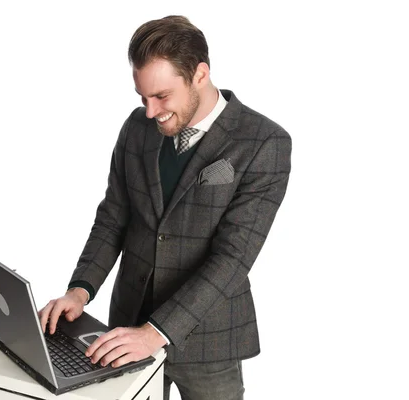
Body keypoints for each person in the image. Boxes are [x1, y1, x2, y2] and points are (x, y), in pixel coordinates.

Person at [38, 15, 291, 400]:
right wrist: (80, 291)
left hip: (208, 341)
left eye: (162, 97)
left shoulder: (264, 142)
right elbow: (113, 219)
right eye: (142, 97)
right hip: (125, 328)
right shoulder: (137, 127)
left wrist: (155, 333)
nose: (151, 111)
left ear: (200, 74)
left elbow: (232, 259)